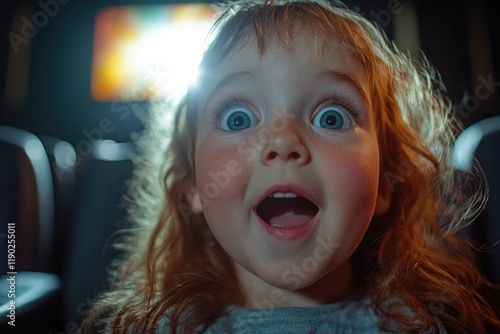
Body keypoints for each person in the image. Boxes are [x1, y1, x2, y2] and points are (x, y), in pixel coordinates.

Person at [80, 0, 500, 333]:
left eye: (331, 117)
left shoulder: (421, 326)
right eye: (238, 120)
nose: (283, 141)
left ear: (385, 183)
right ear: (191, 183)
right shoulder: (158, 328)